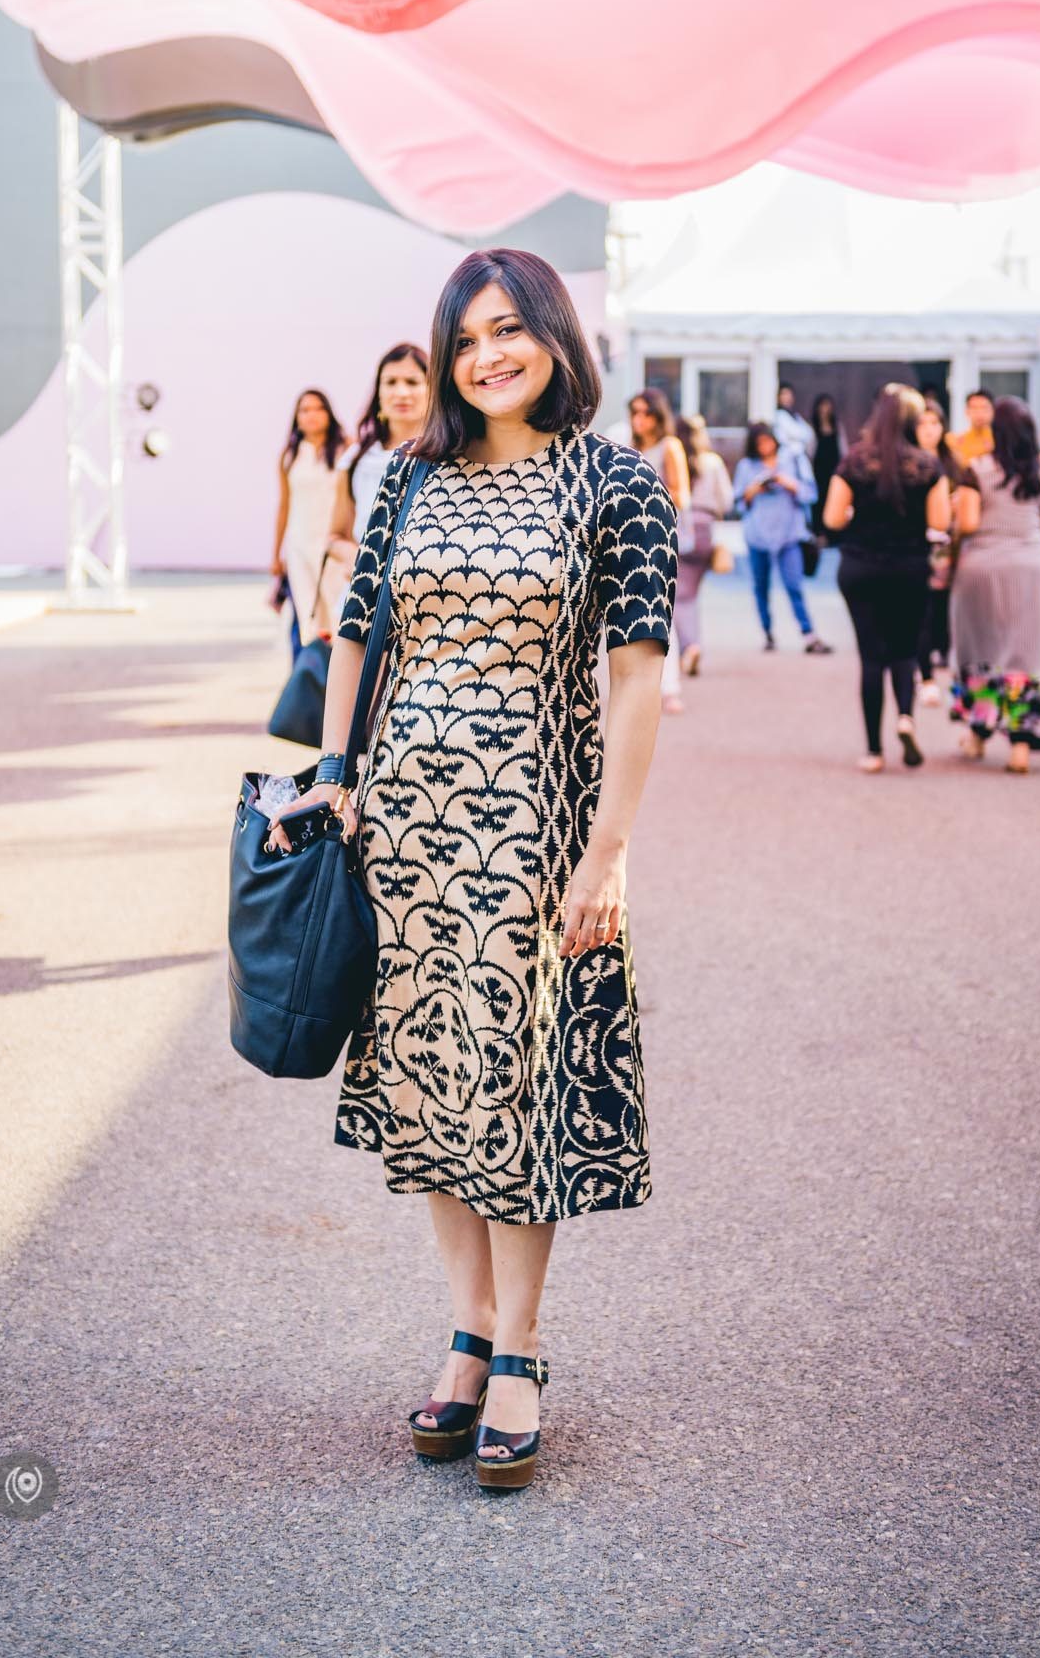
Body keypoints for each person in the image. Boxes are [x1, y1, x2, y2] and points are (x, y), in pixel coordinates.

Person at [266, 247, 677, 1492]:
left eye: (510, 329)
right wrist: (333, 771)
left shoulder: (617, 484)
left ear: (555, 335)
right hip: (406, 828)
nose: (488, 354)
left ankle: (522, 1346)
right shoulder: (403, 477)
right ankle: (463, 1328)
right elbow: (354, 632)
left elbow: (640, 681)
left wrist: (608, 852)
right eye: (467, 337)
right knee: (432, 1086)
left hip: (535, 835)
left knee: (513, 1084)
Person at [823, 385, 952, 771]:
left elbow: (831, 519)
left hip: (860, 567)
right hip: (909, 567)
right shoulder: (928, 467)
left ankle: (874, 751)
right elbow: (940, 522)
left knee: (871, 656)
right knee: (905, 650)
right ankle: (905, 718)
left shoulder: (854, 462)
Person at [950, 398, 1040, 773]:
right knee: (1026, 654)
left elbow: (969, 523)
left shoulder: (976, 470)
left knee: (983, 650)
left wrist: (955, 523)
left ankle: (977, 736)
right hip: (1032, 568)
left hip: (982, 569)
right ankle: (1020, 748)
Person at [327, 344, 430, 583]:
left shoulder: (451, 456)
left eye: (412, 382)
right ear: (379, 391)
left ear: (431, 388)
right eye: (391, 382)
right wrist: (361, 560)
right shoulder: (356, 459)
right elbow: (335, 536)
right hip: (365, 597)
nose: (401, 392)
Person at [733, 423, 832, 654]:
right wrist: (753, 490)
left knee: (794, 585)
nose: (765, 447)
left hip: (789, 534)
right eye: (759, 444)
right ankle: (767, 632)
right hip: (757, 535)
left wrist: (789, 483)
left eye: (768, 441)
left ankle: (809, 634)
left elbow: (811, 494)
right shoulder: (747, 466)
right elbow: (738, 504)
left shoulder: (793, 459)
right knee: (760, 586)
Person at [272, 387, 349, 656]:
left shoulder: (345, 449)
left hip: (334, 547)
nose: (312, 415)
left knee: (339, 616)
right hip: (300, 546)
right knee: (308, 618)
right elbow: (284, 506)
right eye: (305, 410)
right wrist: (276, 554)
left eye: (318, 408)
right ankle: (312, 681)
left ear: (329, 413)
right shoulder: (290, 455)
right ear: (297, 417)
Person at [629, 389, 690, 711]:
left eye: (646, 413)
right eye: (635, 412)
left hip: (659, 535)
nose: (640, 419)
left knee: (661, 609)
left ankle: (670, 685)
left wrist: (649, 498)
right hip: (629, 537)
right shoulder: (629, 447)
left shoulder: (670, 446)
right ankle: (641, 685)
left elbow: (682, 495)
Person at [913, 399, 977, 705]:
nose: (929, 430)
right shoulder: (908, 461)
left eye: (935, 423)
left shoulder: (954, 462)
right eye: (923, 423)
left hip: (951, 549)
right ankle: (923, 674)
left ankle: (951, 671)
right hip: (916, 548)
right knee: (922, 613)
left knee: (948, 613)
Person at [673, 412, 732, 676]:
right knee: (690, 594)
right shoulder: (713, 462)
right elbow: (727, 501)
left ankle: (690, 646)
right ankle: (691, 645)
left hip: (678, 529)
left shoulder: (672, 461)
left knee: (680, 597)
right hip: (705, 531)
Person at [810, 394, 843, 545]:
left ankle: (834, 535)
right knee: (819, 502)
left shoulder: (837, 427)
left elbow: (843, 450)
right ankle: (819, 533)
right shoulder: (813, 428)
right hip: (818, 473)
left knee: (834, 500)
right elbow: (810, 452)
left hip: (834, 471)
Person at [948, 388, 995, 468]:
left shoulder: (999, 441)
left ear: (993, 411)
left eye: (984, 408)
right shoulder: (955, 441)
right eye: (974, 408)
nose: (979, 413)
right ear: (967, 411)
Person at [773, 383, 815, 457]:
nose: (787, 397)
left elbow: (809, 434)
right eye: (784, 394)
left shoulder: (796, 416)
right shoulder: (779, 415)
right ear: (778, 397)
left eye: (789, 394)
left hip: (798, 456)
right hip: (786, 456)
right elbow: (797, 433)